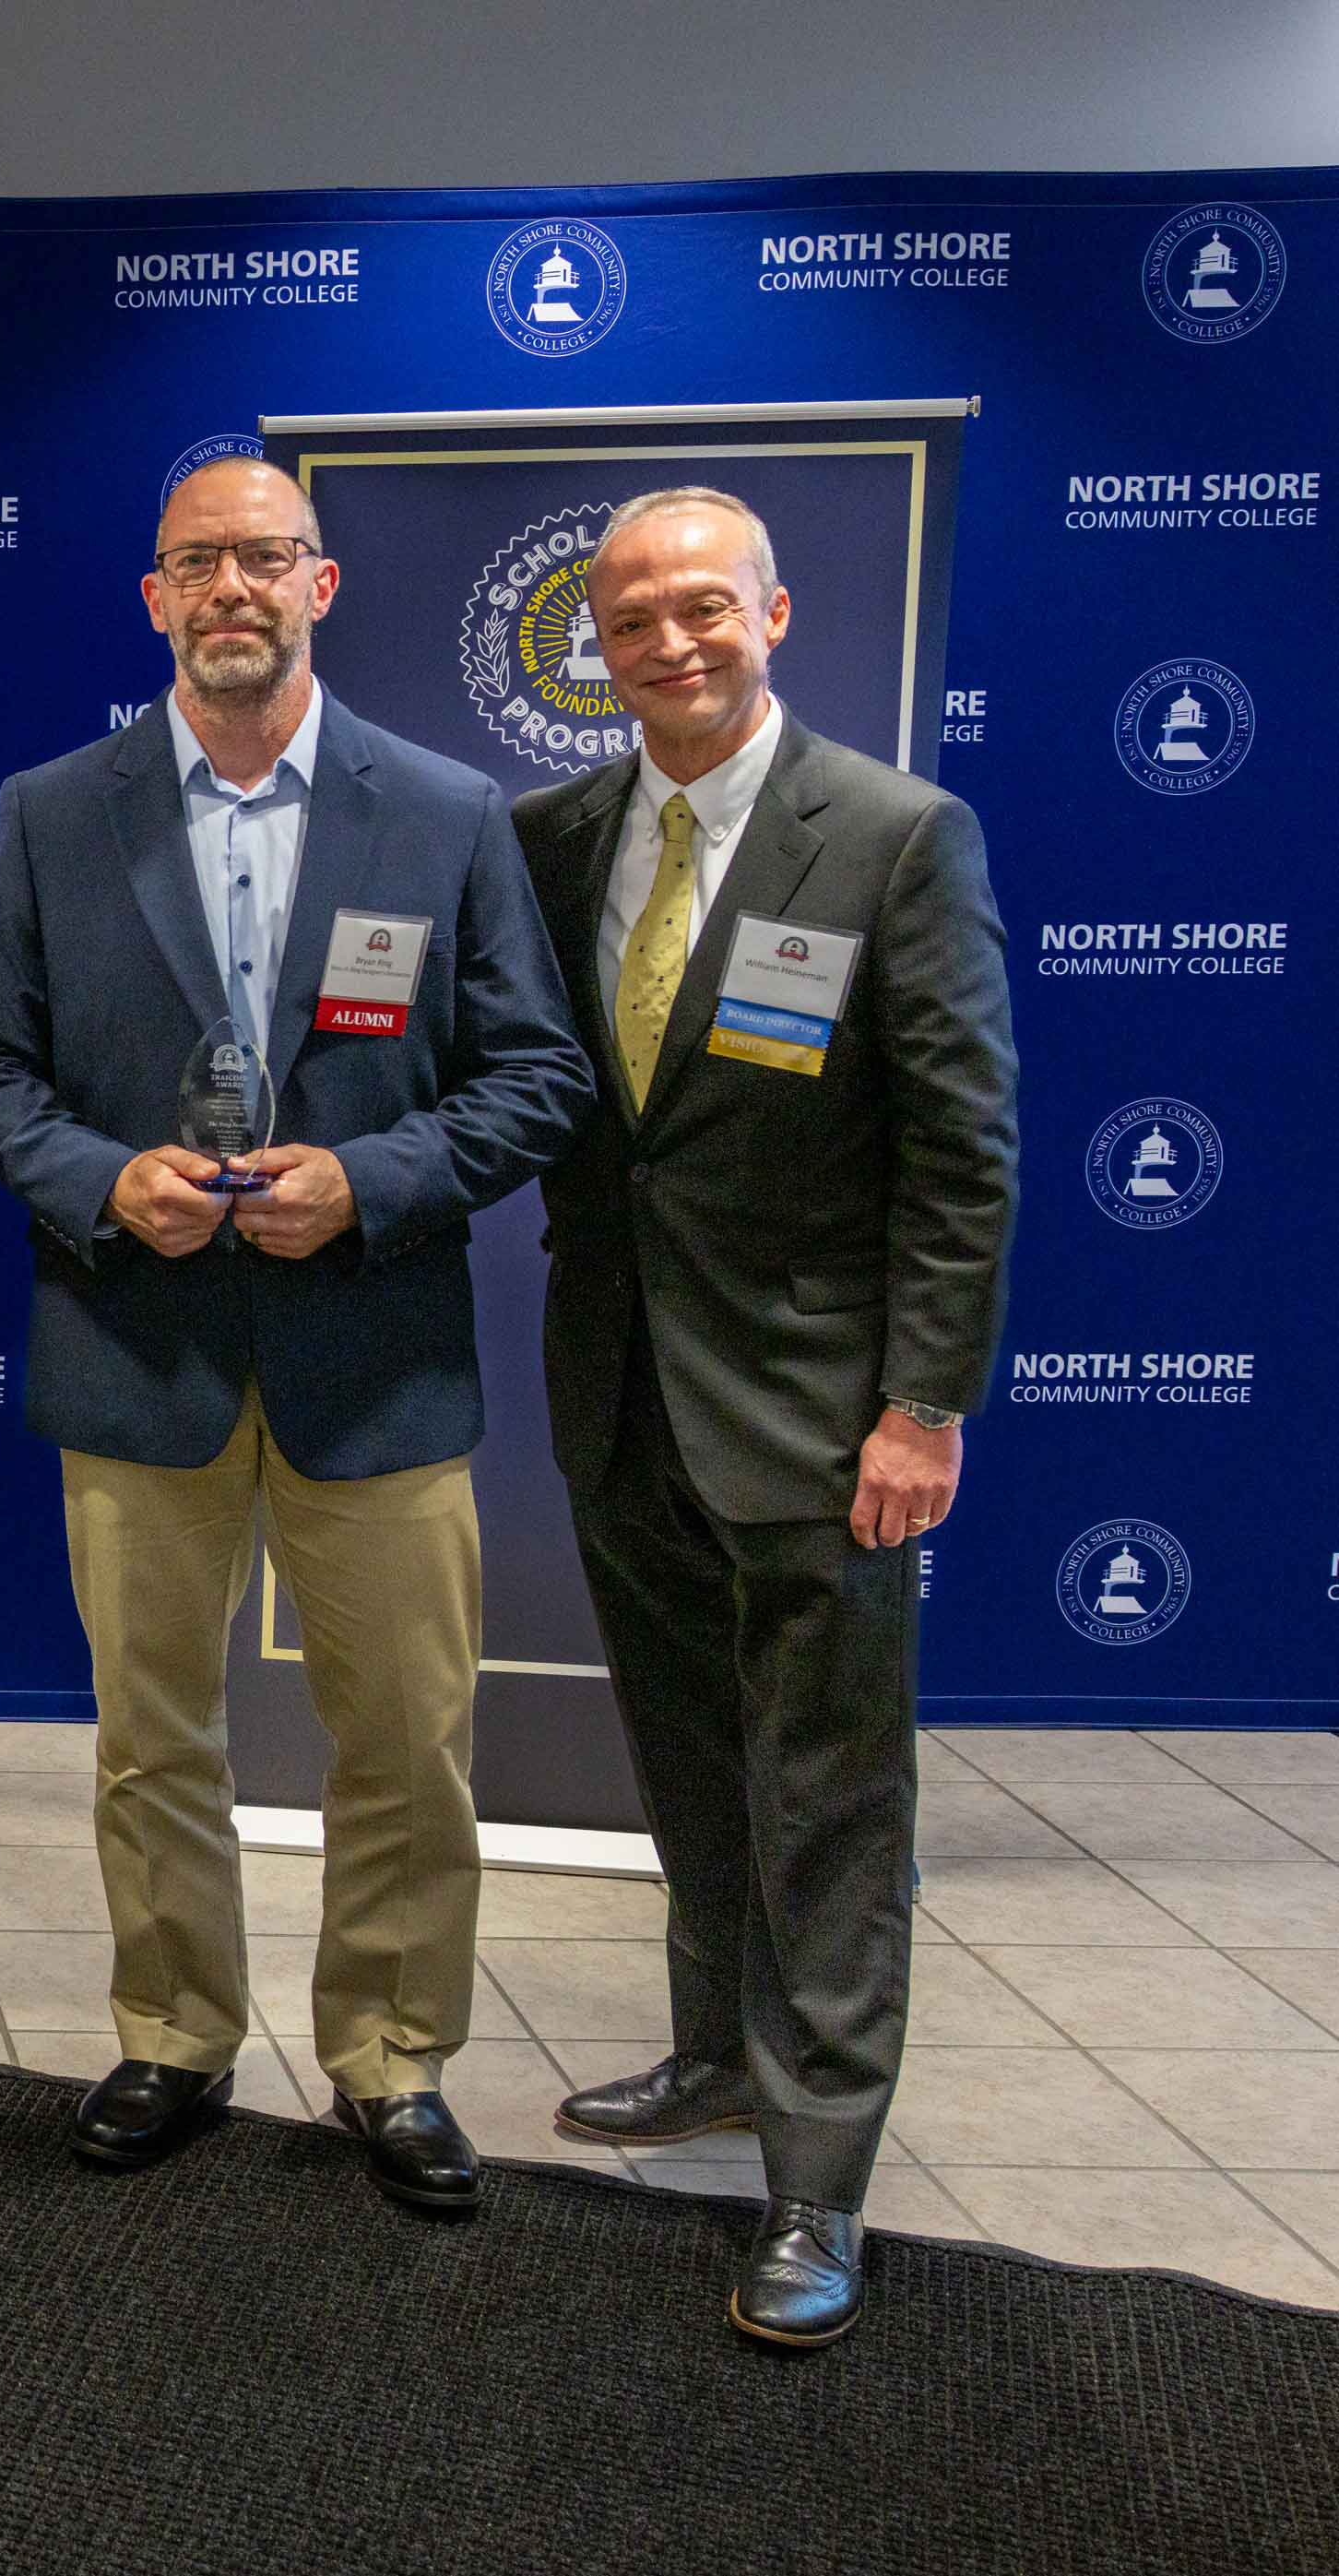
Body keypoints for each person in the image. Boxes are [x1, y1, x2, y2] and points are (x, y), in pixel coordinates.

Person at [0, 458, 592, 2211]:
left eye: (267, 558)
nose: (234, 586)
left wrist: (370, 1180)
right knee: (154, 1737)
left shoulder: (447, 811)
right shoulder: (57, 811)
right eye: (199, 560)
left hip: (372, 1356)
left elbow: (540, 1077)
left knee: (404, 1739)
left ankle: (391, 2056)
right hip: (137, 1347)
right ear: (153, 596)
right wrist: (100, 1174)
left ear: (325, 582)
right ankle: (172, 2031)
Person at [519, 487, 1016, 2345]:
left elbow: (965, 1149)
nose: (666, 638)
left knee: (828, 1794)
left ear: (776, 613)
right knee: (691, 1761)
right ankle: (715, 2051)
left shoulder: (895, 836)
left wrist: (924, 1403)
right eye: (631, 613)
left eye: (701, 606)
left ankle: (818, 2176)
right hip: (627, 1391)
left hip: (821, 1414)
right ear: (599, 640)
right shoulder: (557, 834)